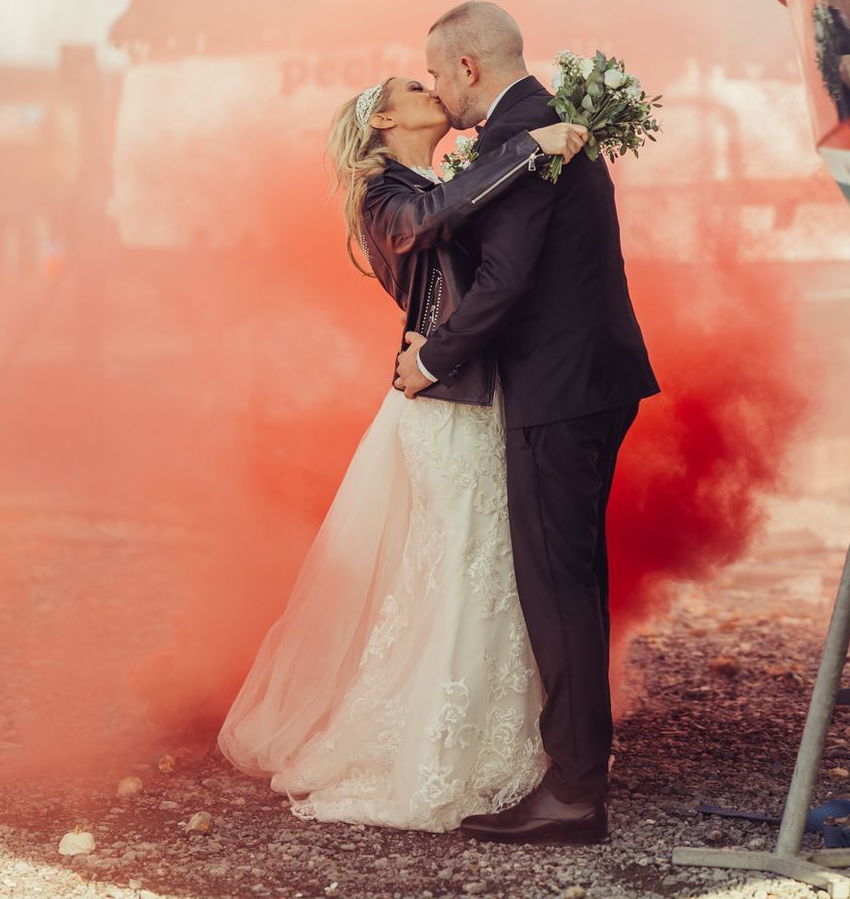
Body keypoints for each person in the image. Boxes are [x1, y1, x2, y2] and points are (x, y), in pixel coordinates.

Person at [217, 74, 589, 833]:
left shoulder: (439, 178)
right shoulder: (385, 196)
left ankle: (502, 742)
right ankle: (436, 751)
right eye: (416, 85)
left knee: (485, 564)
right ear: (385, 117)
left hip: (475, 396)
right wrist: (528, 146)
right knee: (457, 565)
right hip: (442, 408)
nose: (434, 89)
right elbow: (433, 220)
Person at [394, 0, 659, 846]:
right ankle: (579, 773)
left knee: (558, 588)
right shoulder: (543, 128)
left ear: (468, 67)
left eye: (437, 72)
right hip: (588, 380)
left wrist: (431, 360)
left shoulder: (525, 143)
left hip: (560, 389)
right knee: (571, 580)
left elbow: (506, 282)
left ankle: (576, 794)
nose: (437, 88)